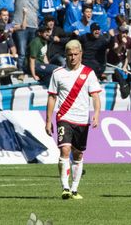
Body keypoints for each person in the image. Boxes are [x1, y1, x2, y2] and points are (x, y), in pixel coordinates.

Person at [45, 39, 102, 199]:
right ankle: (65, 187)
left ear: (81, 54)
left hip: (82, 119)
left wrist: (96, 113)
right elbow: (52, 97)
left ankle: (75, 189)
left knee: (78, 155)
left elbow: (95, 96)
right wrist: (48, 120)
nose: (72, 58)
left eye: (75, 54)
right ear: (65, 55)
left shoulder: (88, 73)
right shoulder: (58, 73)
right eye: (69, 55)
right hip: (64, 117)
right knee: (65, 149)